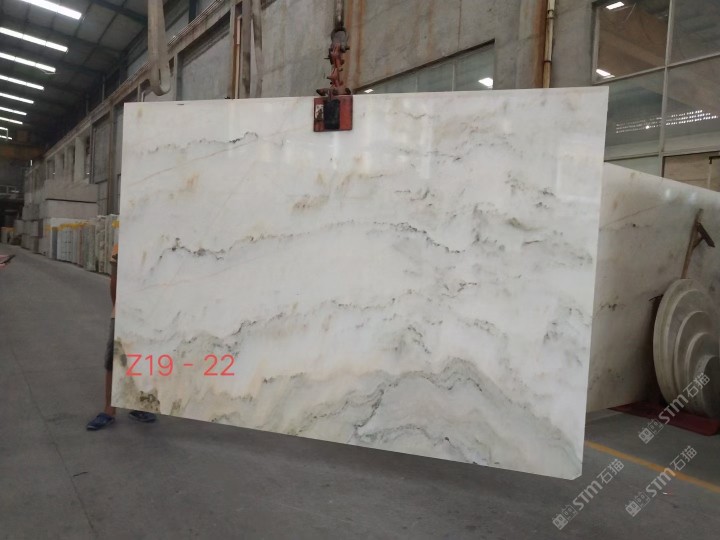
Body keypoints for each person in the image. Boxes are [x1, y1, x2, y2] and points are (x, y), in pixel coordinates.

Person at [86, 243, 157, 430]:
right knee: (114, 359)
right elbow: (115, 281)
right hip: (125, 310)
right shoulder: (122, 245)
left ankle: (139, 405)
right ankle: (109, 410)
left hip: (152, 311)